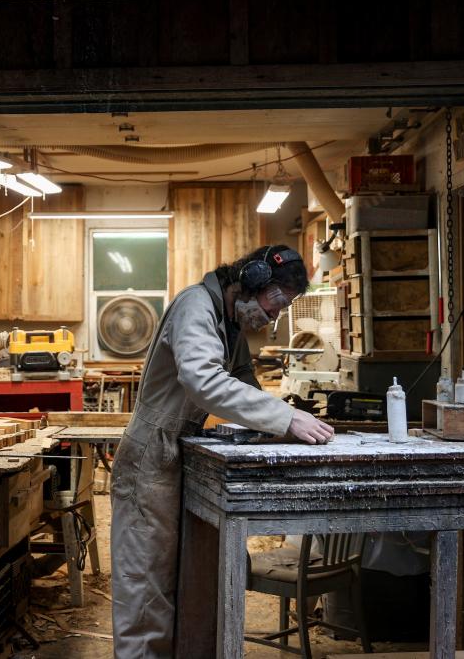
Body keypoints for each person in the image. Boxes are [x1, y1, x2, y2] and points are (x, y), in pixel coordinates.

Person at [110, 244, 336, 658]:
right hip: (151, 455)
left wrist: (281, 423)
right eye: (278, 301)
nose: (275, 314)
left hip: (177, 450)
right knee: (146, 586)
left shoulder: (227, 321)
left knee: (178, 580)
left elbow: (244, 383)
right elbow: (204, 381)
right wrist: (284, 419)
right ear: (251, 280)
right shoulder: (197, 306)